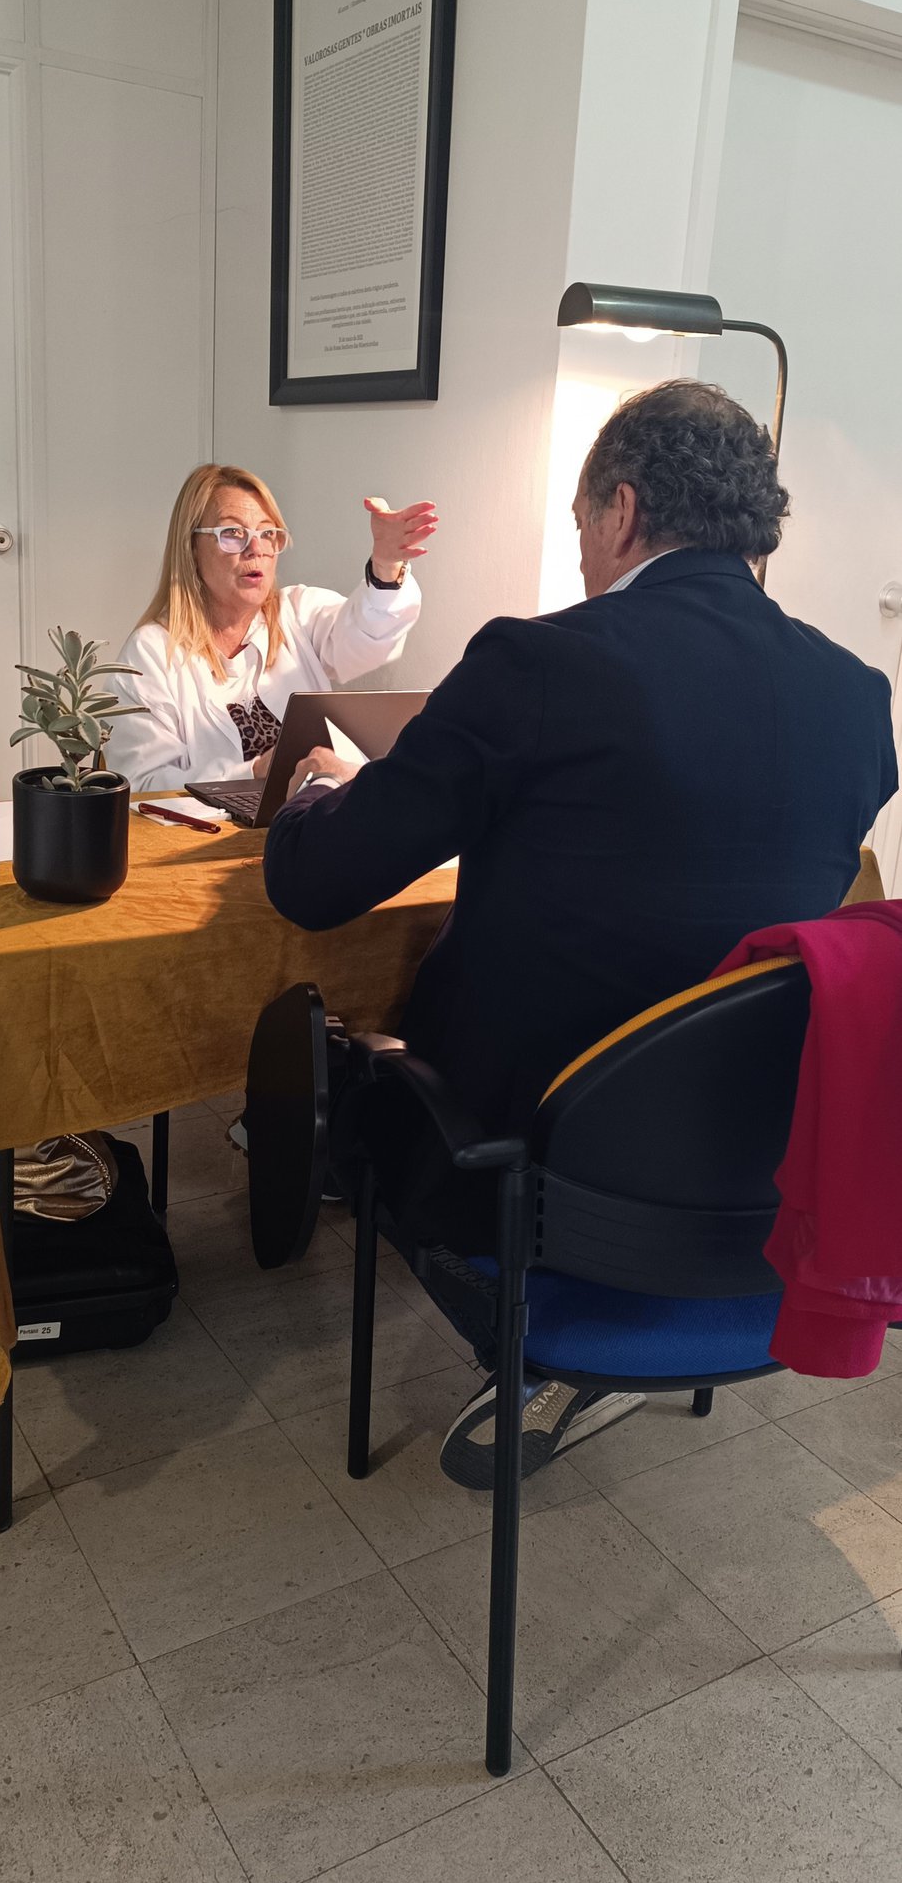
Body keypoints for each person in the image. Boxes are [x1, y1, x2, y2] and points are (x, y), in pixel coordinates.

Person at [263, 381, 898, 1486]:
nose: (582, 558)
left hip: (525, 1170)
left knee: (342, 1065)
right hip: (750, 1170)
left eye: (578, 528)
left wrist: (318, 790)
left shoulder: (540, 662)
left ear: (621, 508)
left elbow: (318, 886)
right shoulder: (856, 695)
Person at [109, 462, 437, 794]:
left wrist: (385, 566)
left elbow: (369, 636)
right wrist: (253, 772)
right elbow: (142, 786)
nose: (256, 549)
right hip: (212, 826)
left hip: (316, 814)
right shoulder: (150, 653)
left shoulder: (298, 612)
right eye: (232, 533)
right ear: (191, 547)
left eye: (267, 533)